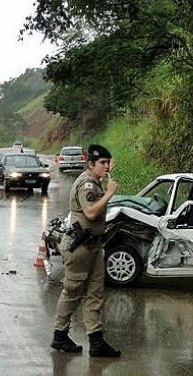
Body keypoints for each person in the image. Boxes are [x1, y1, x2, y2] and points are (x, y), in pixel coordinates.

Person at [50, 144, 121, 357]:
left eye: (109, 163)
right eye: (102, 163)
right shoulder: (86, 184)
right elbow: (90, 212)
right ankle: (60, 335)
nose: (107, 167)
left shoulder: (95, 180)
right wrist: (109, 192)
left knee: (95, 294)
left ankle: (96, 341)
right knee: (73, 291)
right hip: (80, 247)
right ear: (90, 164)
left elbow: (97, 187)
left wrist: (106, 177)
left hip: (94, 246)